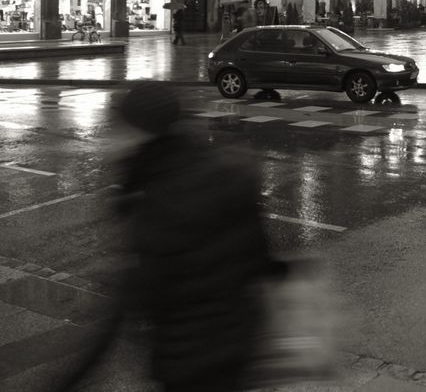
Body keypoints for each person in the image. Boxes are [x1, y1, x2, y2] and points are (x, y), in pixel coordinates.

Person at [57, 83, 275, 392]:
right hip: (239, 347)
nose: (112, 139)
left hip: (187, 361)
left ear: (137, 130)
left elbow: (128, 307)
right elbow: (261, 261)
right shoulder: (227, 171)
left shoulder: (154, 201)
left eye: (118, 128)